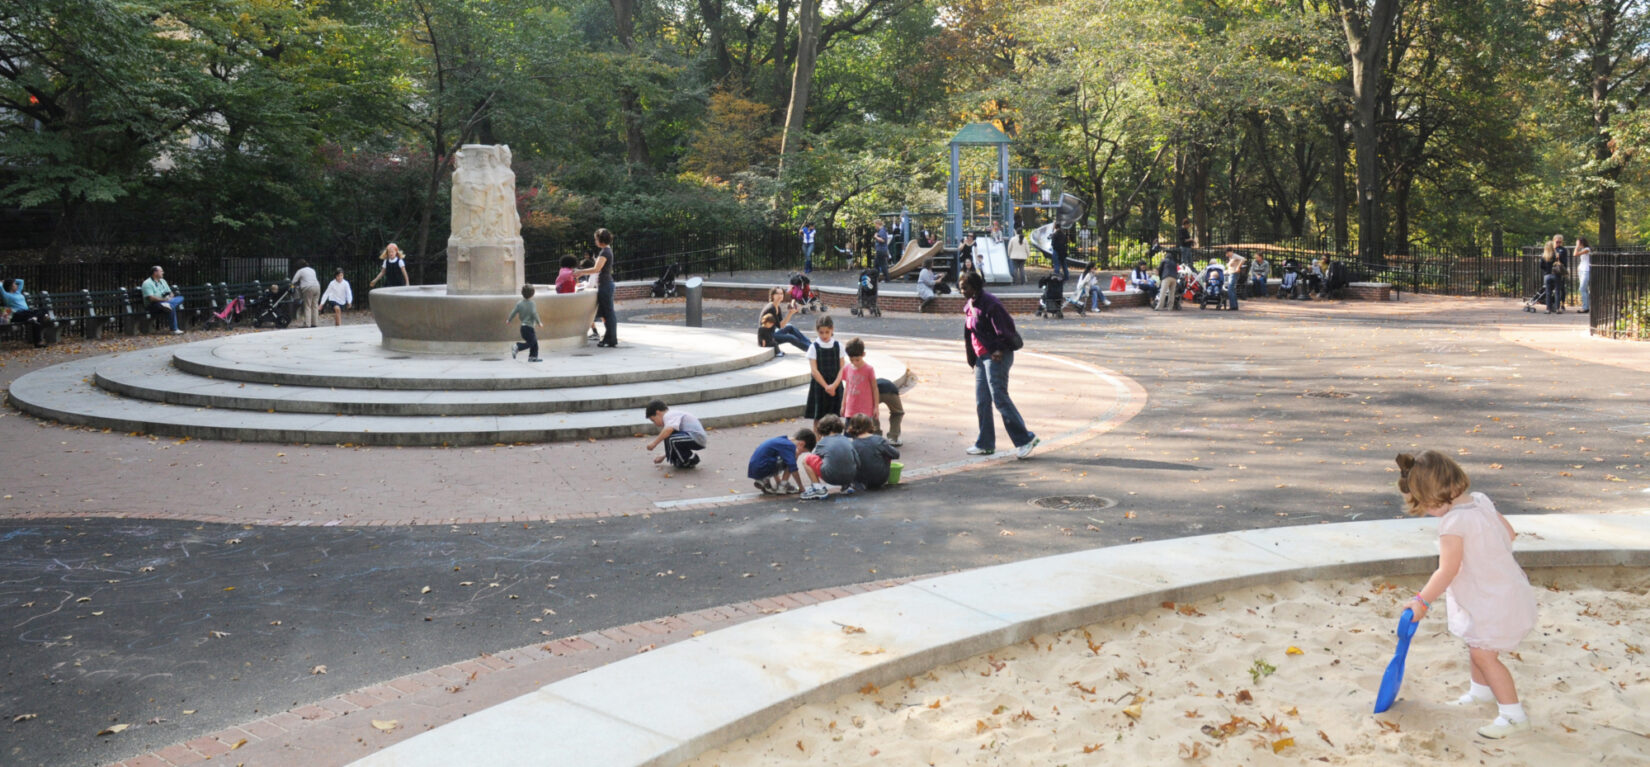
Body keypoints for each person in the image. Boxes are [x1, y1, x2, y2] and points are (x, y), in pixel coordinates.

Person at [1394, 450, 1538, 739]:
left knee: (1484, 655)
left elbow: (1446, 571)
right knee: (1477, 641)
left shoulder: (1452, 524)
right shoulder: (1481, 501)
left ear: (1432, 497)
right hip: (1503, 587)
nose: (1424, 510)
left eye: (1422, 504)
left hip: (1492, 598)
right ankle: (1481, 692)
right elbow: (1509, 534)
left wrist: (1422, 601)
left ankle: (1513, 716)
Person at [960, 272, 1038, 459]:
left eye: (965, 287)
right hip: (981, 358)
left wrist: (1000, 349)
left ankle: (1026, 439)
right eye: (961, 287)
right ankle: (985, 443)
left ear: (975, 287)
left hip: (996, 357)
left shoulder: (990, 303)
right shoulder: (971, 303)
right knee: (982, 401)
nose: (962, 291)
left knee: (1000, 398)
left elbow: (1006, 329)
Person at [800, 414, 858, 500]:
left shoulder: (823, 442)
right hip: (850, 476)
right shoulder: (847, 440)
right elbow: (857, 460)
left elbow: (814, 456)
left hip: (831, 477)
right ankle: (847, 486)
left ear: (822, 429)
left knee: (807, 460)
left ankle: (818, 489)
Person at [576, 228, 618, 347]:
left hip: (605, 285)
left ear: (600, 240)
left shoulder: (605, 252)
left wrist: (580, 272)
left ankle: (610, 339)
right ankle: (609, 339)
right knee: (606, 313)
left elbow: (596, 269)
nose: (595, 241)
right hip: (605, 284)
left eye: (596, 239)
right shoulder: (607, 251)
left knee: (608, 313)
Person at [804, 315, 845, 423]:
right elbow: (814, 370)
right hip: (820, 385)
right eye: (821, 332)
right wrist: (826, 386)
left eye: (827, 332)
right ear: (817, 331)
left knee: (835, 418)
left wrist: (834, 385)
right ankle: (818, 439)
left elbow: (842, 368)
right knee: (818, 418)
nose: (824, 335)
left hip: (835, 384)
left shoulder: (838, 346)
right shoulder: (814, 347)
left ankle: (834, 439)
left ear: (832, 329)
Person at [644, 400, 707, 469]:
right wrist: (664, 456)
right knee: (669, 436)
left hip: (697, 437)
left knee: (671, 437)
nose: (655, 424)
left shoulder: (669, 415)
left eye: (653, 420)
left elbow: (669, 431)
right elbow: (673, 440)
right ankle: (681, 459)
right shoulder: (672, 416)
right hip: (692, 437)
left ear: (658, 413)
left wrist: (654, 443)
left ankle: (690, 459)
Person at [749, 429, 811, 495]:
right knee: (791, 461)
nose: (800, 454)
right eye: (802, 451)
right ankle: (782, 485)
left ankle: (766, 481)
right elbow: (793, 468)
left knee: (781, 458)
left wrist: (778, 481)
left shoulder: (782, 440)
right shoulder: (790, 446)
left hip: (755, 467)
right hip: (764, 466)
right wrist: (801, 486)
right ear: (802, 444)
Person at [847, 413, 900, 491]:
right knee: (886, 453)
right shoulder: (879, 440)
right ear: (870, 425)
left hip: (861, 480)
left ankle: (856, 485)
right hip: (881, 478)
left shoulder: (852, 445)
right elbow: (896, 454)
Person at [759, 287, 810, 355]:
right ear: (772, 296)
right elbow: (781, 325)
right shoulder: (771, 308)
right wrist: (790, 313)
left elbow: (781, 325)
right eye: (777, 294)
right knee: (790, 337)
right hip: (768, 336)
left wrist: (790, 313)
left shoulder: (777, 307)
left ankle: (811, 345)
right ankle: (810, 349)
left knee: (790, 327)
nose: (780, 296)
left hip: (772, 332)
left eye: (781, 293)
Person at [1, 278, 50, 347]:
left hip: (28, 312)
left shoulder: (17, 292)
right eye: (14, 284)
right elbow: (0, 287)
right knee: (35, 319)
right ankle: (38, 342)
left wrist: (11, 280)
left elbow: (21, 281)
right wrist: (3, 282)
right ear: (10, 287)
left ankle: (35, 318)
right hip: (18, 314)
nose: (16, 285)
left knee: (43, 310)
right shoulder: (6, 296)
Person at [839, 337, 878, 423]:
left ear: (863, 354)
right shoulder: (847, 368)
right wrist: (843, 405)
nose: (854, 362)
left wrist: (876, 407)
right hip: (850, 409)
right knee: (849, 434)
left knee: (864, 434)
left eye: (857, 360)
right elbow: (847, 388)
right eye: (851, 360)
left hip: (865, 411)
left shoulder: (869, 369)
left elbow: (875, 389)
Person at [504, 284, 544, 362]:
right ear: (532, 294)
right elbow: (534, 313)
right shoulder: (532, 304)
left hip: (523, 328)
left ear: (522, 293)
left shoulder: (519, 303)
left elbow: (513, 312)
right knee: (531, 342)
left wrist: (509, 320)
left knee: (534, 343)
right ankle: (517, 346)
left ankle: (533, 357)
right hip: (529, 328)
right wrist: (539, 322)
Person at [141, 265, 186, 335]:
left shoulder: (163, 281)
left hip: (166, 302)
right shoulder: (147, 283)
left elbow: (170, 292)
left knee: (181, 298)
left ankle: (168, 305)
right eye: (161, 271)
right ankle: (174, 329)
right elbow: (151, 298)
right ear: (155, 272)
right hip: (153, 305)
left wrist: (170, 296)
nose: (163, 272)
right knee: (171, 307)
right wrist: (164, 299)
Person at [291, 259, 320, 328]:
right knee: (315, 305)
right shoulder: (312, 270)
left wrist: (292, 287)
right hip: (317, 287)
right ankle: (315, 323)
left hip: (308, 288)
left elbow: (293, 281)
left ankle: (307, 324)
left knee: (307, 305)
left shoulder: (300, 271)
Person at [875, 377, 904, 446]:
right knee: (897, 413)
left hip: (875, 391)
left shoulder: (873, 382)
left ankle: (876, 436)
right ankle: (893, 438)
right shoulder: (891, 385)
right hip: (891, 392)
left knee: (871, 413)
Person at [1538, 242, 1564, 314]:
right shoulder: (1556, 255)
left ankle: (1548, 309)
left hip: (1547, 275)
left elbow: (1541, 266)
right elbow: (1562, 263)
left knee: (1548, 292)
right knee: (1557, 292)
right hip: (1556, 275)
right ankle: (1557, 308)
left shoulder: (1544, 256)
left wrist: (1546, 270)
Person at [1155, 245, 1180, 311]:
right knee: (1171, 293)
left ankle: (1159, 307)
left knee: (1163, 292)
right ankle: (1170, 307)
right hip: (1174, 278)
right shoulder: (1174, 263)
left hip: (1166, 277)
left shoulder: (1164, 261)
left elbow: (1160, 269)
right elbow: (1176, 271)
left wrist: (1161, 278)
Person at [1575, 237, 1592, 313]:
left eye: (1578, 243)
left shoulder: (1587, 249)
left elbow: (1575, 254)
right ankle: (1586, 306)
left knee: (1582, 288)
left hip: (1586, 271)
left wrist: (1577, 247)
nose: (1577, 244)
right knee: (1584, 289)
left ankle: (1585, 307)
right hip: (1581, 270)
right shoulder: (1582, 250)